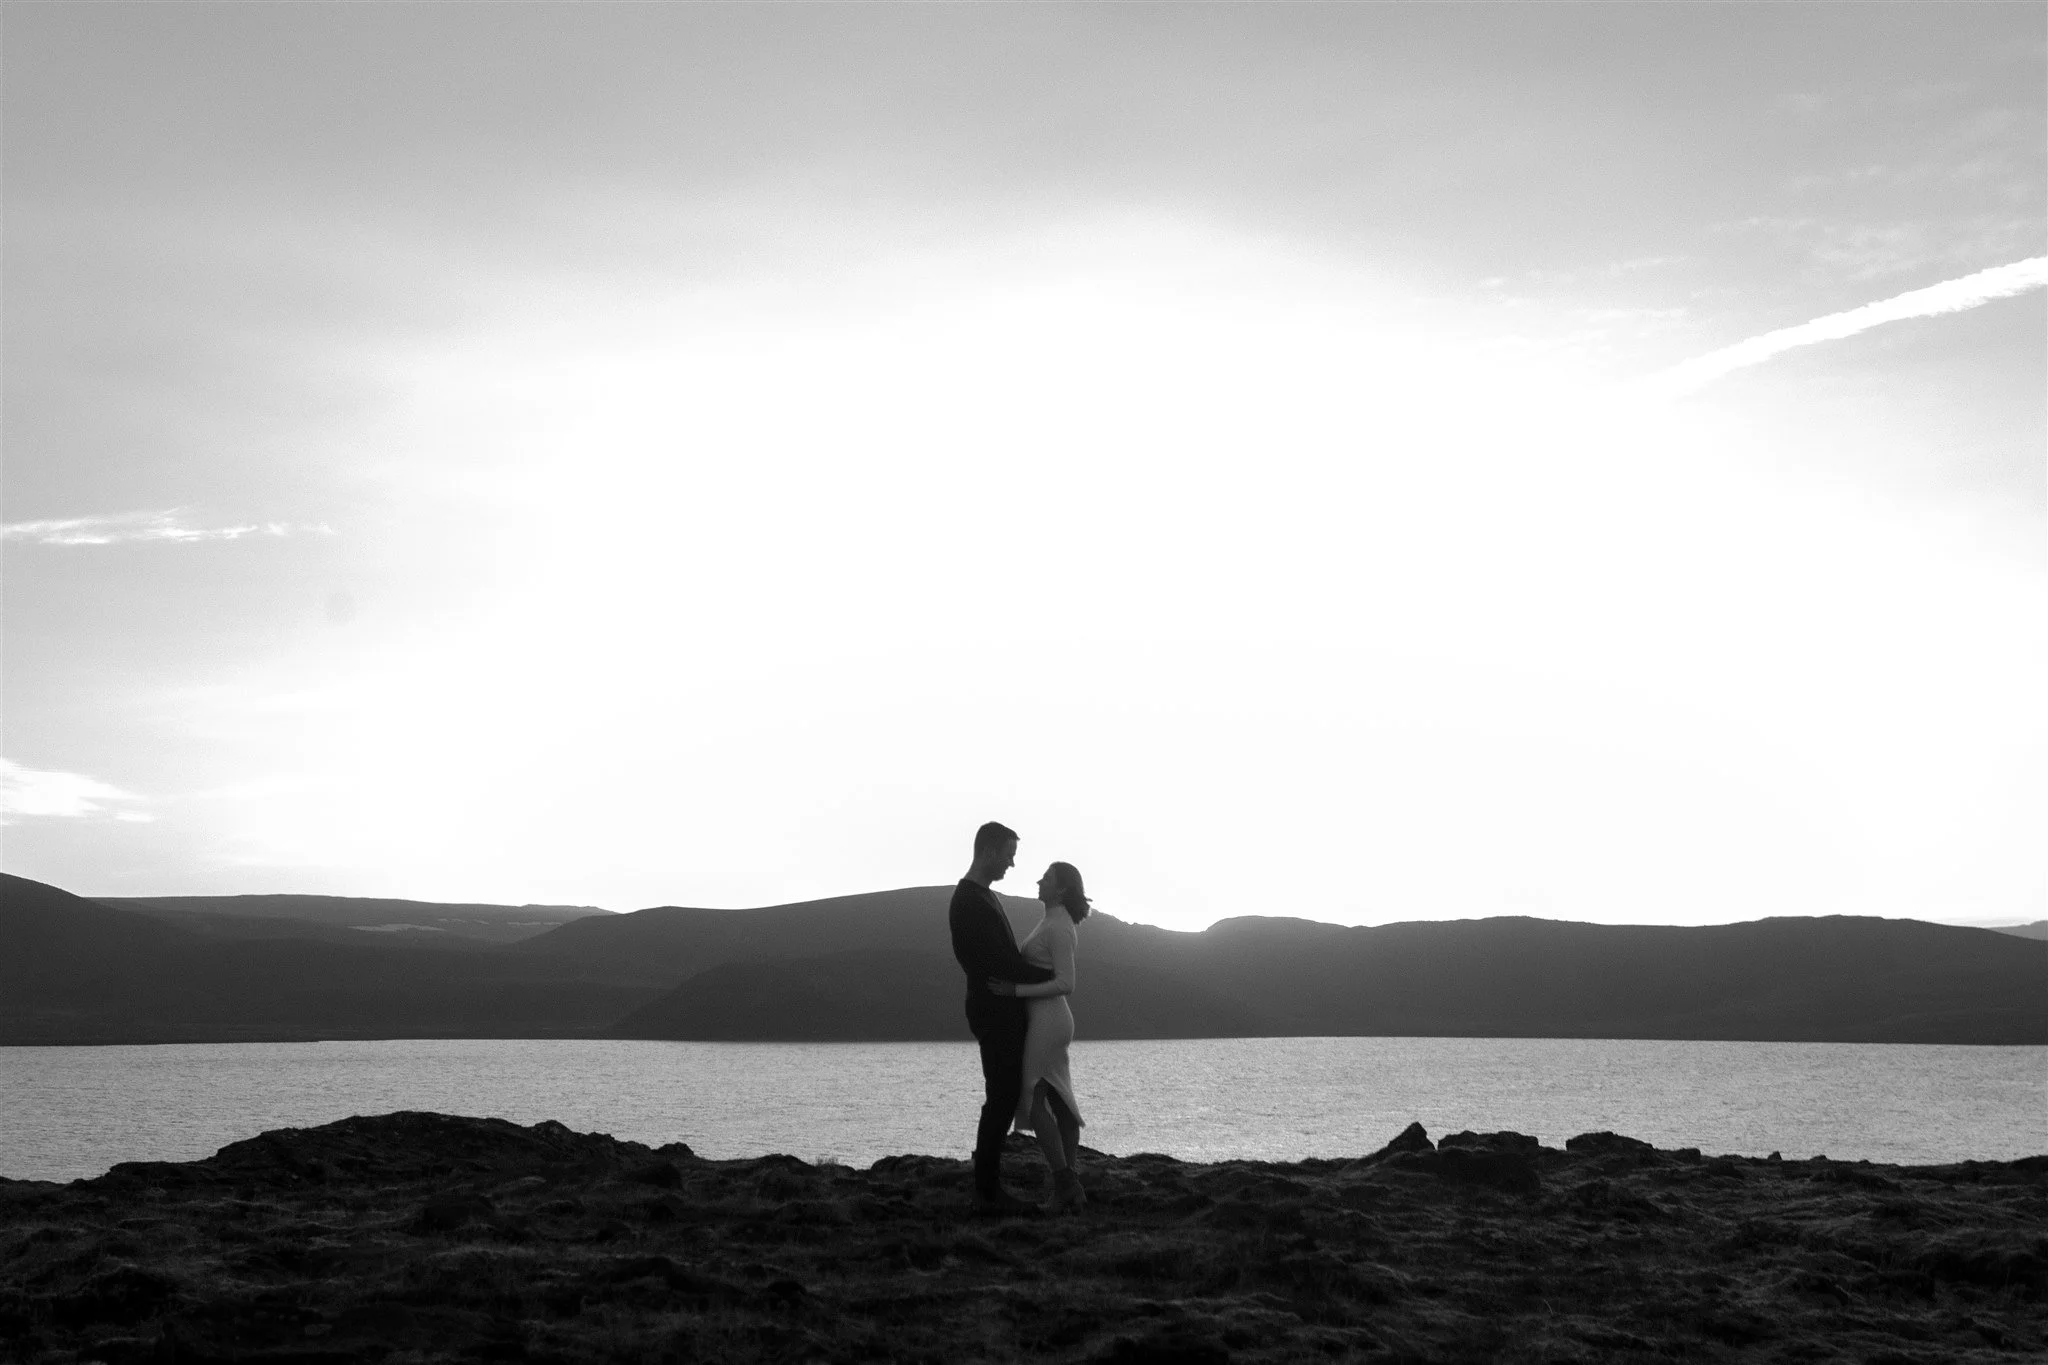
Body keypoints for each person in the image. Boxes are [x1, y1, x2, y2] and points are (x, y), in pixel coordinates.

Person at [947, 821, 1053, 1214]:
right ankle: (987, 1191)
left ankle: (987, 1184)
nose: (1011, 863)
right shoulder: (970, 901)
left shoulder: (982, 897)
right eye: (1008, 854)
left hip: (998, 1007)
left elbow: (1000, 961)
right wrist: (1051, 978)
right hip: (992, 1010)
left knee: (1003, 1094)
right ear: (989, 851)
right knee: (1001, 1096)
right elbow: (997, 962)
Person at [992, 861, 1089, 1212]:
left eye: (1046, 878)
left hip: (1050, 1020)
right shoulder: (1050, 920)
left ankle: (1065, 1183)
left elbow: (1067, 983)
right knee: (1060, 1102)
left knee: (1034, 1095)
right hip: (1045, 1018)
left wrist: (1015, 990)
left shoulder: (1060, 926)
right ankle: (1068, 1186)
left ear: (1061, 888)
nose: (1038, 880)